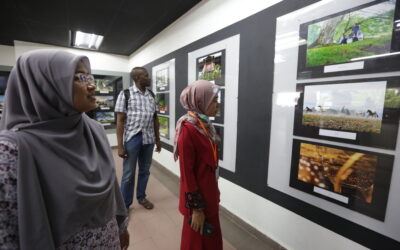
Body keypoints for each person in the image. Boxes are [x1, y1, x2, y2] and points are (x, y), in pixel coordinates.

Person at [0, 50, 129, 249]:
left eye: (89, 76)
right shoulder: (11, 152)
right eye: (79, 77)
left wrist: (121, 226)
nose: (92, 85)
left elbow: (112, 188)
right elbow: (7, 233)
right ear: (45, 86)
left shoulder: (94, 130)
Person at [174, 80, 223, 250]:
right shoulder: (188, 130)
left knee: (211, 239)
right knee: (196, 242)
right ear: (201, 101)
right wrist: (197, 209)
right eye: (214, 100)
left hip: (209, 193)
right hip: (198, 200)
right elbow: (187, 174)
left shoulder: (206, 126)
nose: (217, 104)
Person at [115, 67, 161, 210]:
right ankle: (125, 205)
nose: (149, 78)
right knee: (128, 174)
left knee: (145, 171)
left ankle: (141, 197)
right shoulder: (126, 94)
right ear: (137, 78)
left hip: (149, 139)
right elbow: (120, 121)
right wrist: (120, 146)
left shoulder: (151, 95)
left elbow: (155, 119)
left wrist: (158, 139)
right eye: (146, 75)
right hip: (133, 138)